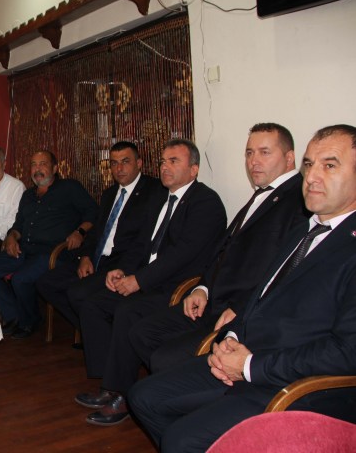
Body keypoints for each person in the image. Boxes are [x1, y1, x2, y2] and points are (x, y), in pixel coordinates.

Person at [128, 125, 356, 452]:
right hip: (246, 355)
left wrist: (249, 366)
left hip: (296, 384)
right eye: (309, 165)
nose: (312, 176)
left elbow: (346, 353)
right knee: (143, 396)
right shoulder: (305, 230)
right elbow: (260, 296)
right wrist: (231, 338)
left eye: (329, 165)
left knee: (181, 438)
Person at [129, 123, 309, 375]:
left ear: (289, 158)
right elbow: (224, 249)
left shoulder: (300, 201)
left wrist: (242, 309)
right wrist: (202, 288)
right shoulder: (262, 194)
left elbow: (285, 271)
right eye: (249, 153)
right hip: (211, 301)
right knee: (141, 332)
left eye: (264, 152)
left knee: (164, 358)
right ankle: (171, 385)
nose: (254, 161)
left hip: (242, 312)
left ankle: (184, 387)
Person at [75, 139, 227, 425]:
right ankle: (110, 382)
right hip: (149, 278)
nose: (164, 167)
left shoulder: (205, 202)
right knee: (93, 305)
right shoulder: (161, 199)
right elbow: (142, 245)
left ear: (194, 169)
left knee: (127, 310)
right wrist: (122, 270)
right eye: (162, 161)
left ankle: (121, 396)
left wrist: (139, 281)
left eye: (173, 161)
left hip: (178, 286)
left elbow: (182, 254)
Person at [36, 141, 167, 332]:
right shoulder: (109, 194)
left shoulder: (154, 192)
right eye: (114, 163)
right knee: (46, 283)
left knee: (77, 293)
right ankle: (93, 330)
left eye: (125, 162)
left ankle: (96, 331)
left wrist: (124, 269)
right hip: (96, 259)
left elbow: (146, 240)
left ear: (139, 163)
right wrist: (85, 256)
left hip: (121, 263)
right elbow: (97, 231)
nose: (119, 168)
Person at [0, 150, 98, 339]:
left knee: (20, 279)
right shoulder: (28, 195)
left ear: (55, 168)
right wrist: (12, 237)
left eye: (43, 164)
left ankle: (30, 321)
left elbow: (94, 212)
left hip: (54, 253)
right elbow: (18, 225)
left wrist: (79, 232)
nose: (37, 169)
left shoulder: (69, 188)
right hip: (25, 250)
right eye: (34, 164)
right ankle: (14, 316)